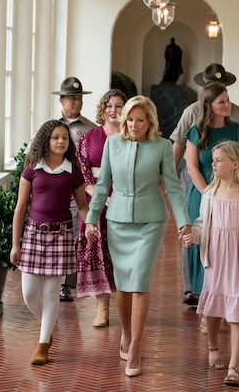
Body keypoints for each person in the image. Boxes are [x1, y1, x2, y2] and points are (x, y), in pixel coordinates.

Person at [84, 96, 191, 378]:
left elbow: (173, 186)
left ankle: (135, 348)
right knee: (122, 285)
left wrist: (184, 223)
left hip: (150, 222)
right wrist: (91, 219)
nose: (133, 124)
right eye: (129, 119)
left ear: (150, 122)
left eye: (139, 120)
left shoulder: (163, 147)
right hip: (117, 221)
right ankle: (127, 333)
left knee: (140, 282)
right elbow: (102, 185)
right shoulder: (113, 144)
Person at [182, 141, 239, 387]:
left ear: (235, 163)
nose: (213, 163)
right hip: (216, 259)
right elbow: (201, 224)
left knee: (237, 314)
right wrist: (193, 236)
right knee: (212, 310)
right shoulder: (209, 193)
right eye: (213, 159)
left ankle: (234, 367)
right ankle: (213, 349)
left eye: (218, 160)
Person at [169, 63, 239, 306]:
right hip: (198, 181)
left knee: (227, 236)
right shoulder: (191, 113)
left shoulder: (237, 114)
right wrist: (171, 178)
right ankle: (192, 288)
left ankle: (223, 287)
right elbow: (180, 147)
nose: (224, 101)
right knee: (195, 231)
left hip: (231, 183)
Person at [11, 119, 88, 366]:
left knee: (52, 292)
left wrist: (93, 225)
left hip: (62, 235)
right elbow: (20, 207)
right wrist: (15, 244)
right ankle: (47, 326)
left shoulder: (73, 171)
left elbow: (83, 206)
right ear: (46, 139)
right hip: (34, 235)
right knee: (29, 294)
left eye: (64, 138)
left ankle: (43, 343)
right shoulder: (33, 166)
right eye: (55, 137)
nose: (60, 142)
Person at [75, 88, 127, 327]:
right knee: (96, 252)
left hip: (126, 200)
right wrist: (100, 197)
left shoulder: (131, 136)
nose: (113, 110)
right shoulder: (89, 137)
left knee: (123, 255)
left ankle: (127, 307)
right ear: (102, 110)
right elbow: (83, 172)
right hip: (95, 201)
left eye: (118, 106)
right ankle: (102, 307)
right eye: (109, 106)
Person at [53, 76, 95, 302]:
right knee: (58, 236)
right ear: (61, 100)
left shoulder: (90, 129)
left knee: (76, 236)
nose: (76, 103)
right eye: (71, 98)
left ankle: (67, 284)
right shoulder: (51, 127)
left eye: (79, 98)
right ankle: (55, 281)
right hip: (56, 191)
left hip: (80, 190)